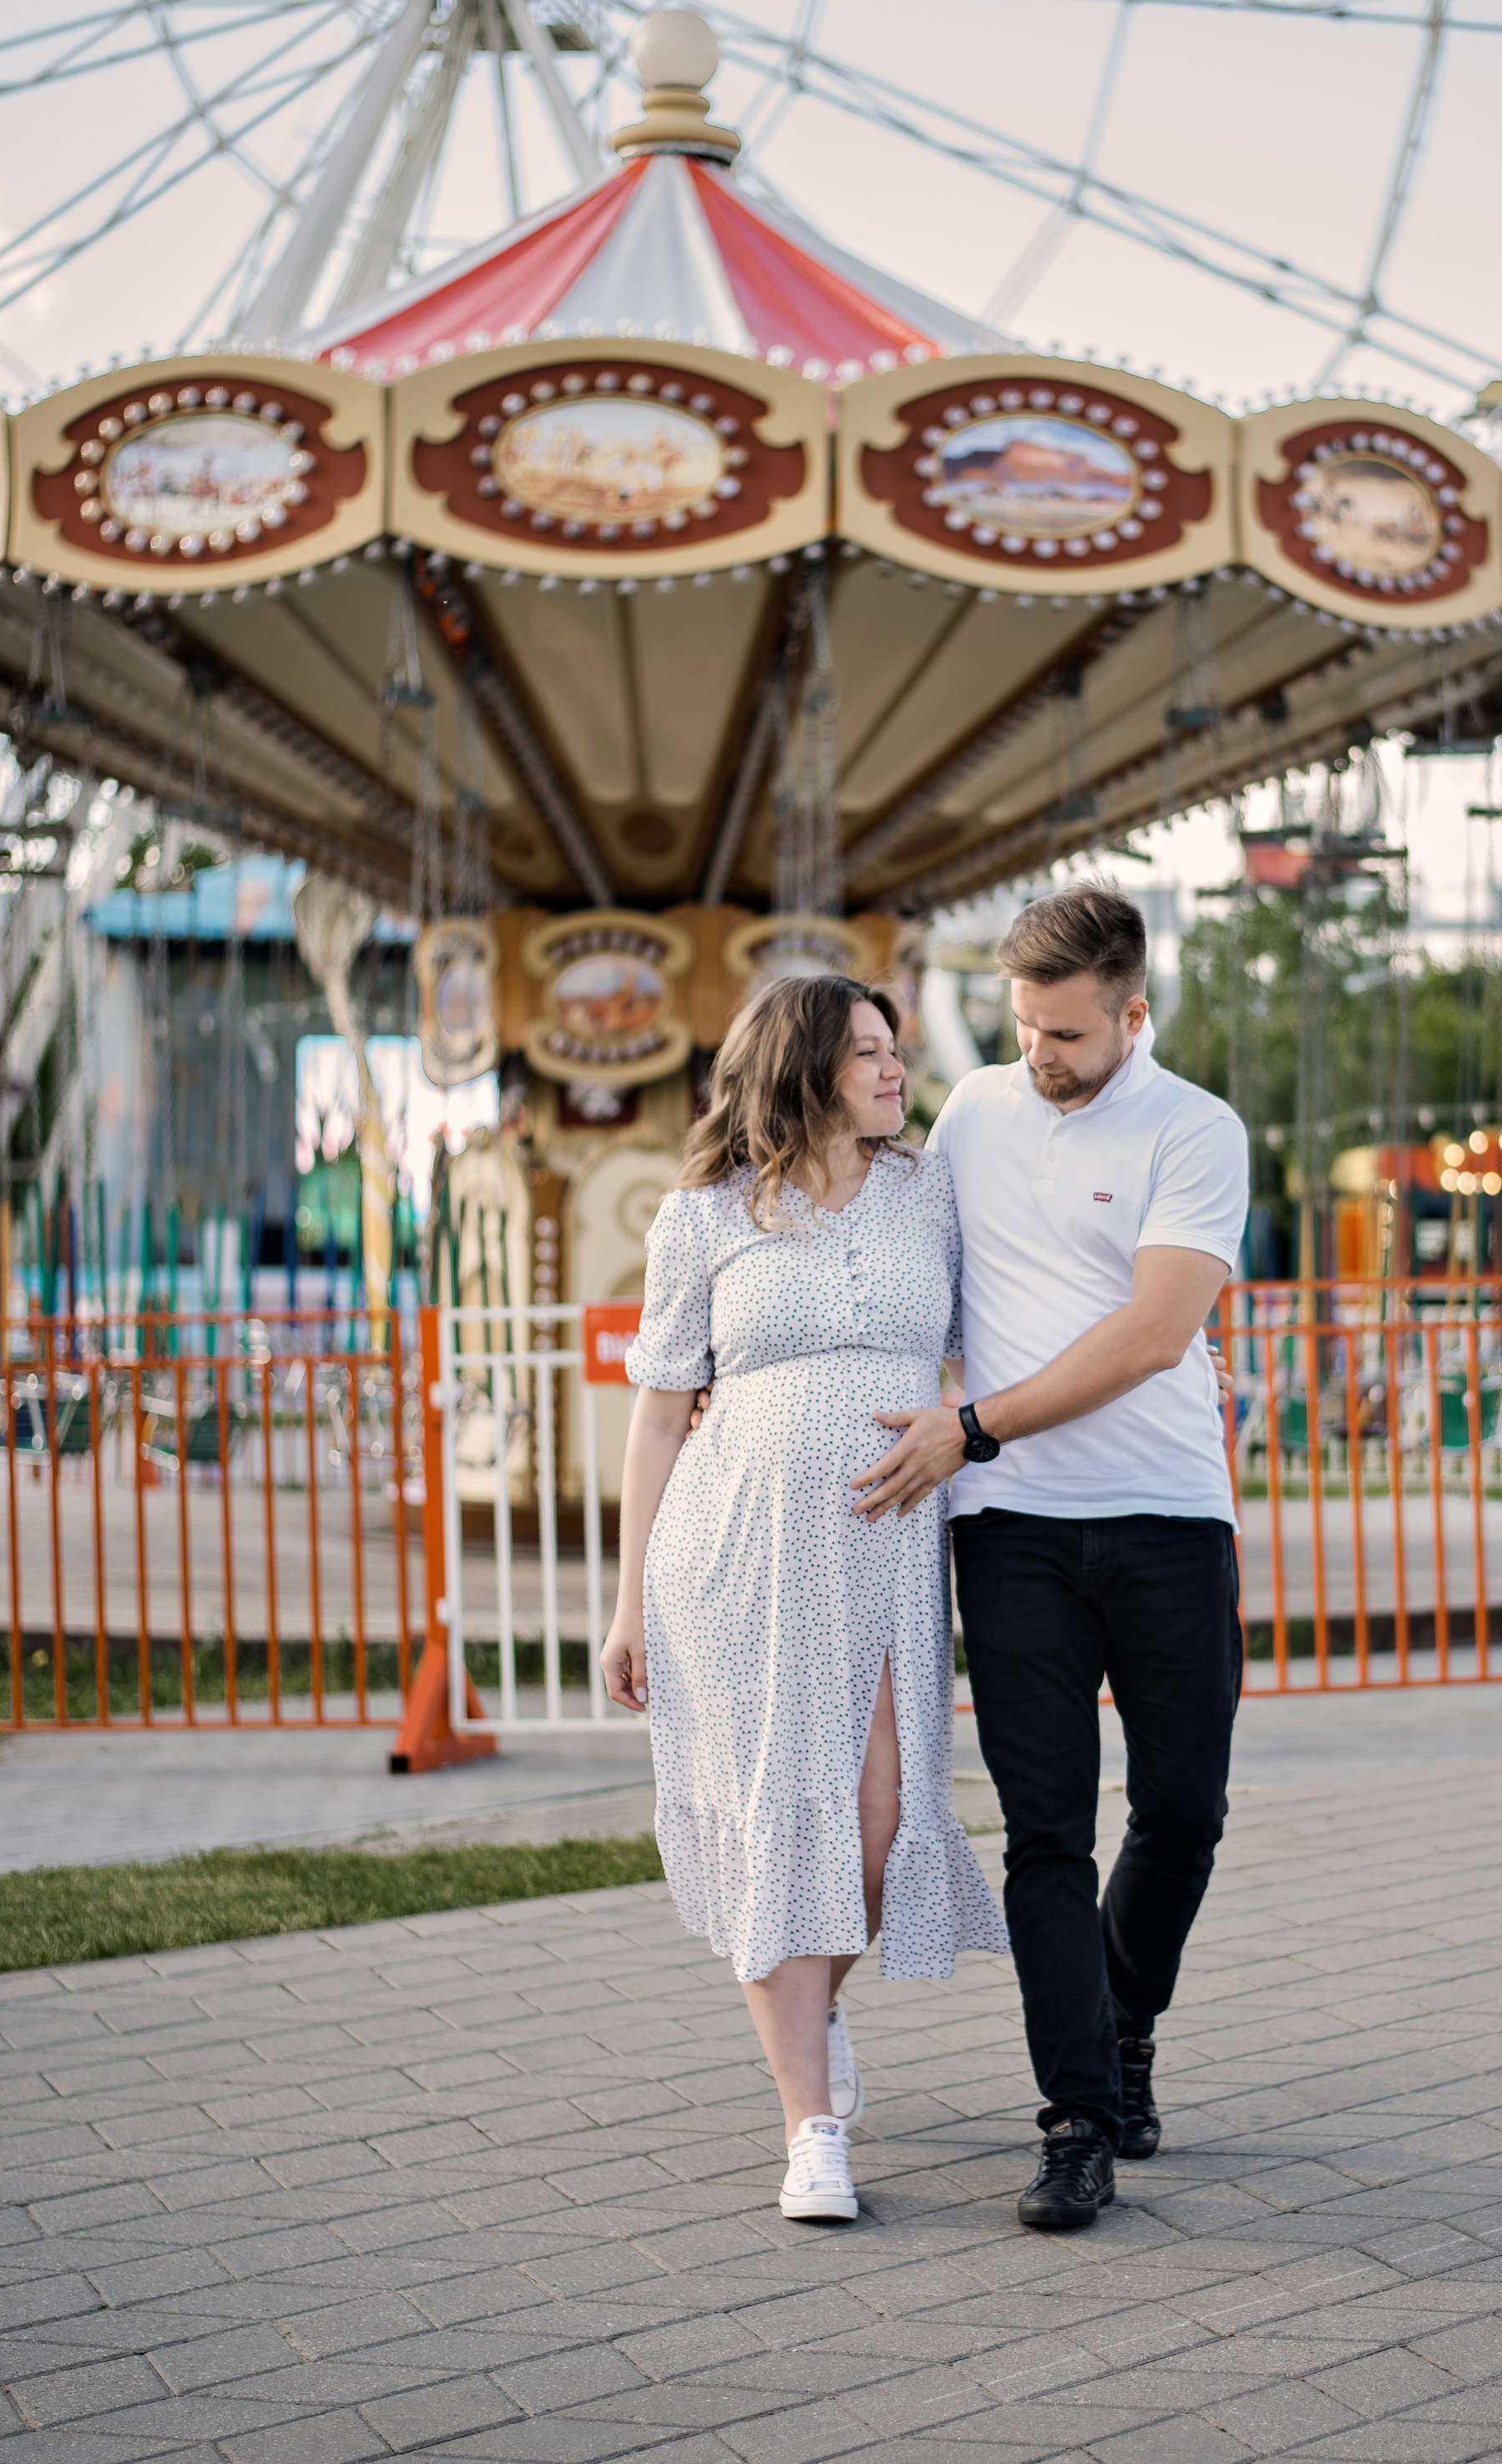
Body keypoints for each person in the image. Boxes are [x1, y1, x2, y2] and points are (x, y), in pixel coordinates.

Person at [853, 885, 1251, 2232]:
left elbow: (1153, 1333)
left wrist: (974, 1424)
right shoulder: (969, 1112)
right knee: (1043, 1835)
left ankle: (1125, 2022)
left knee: (1184, 1809)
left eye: (1071, 1033)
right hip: (1011, 1533)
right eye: (1026, 1026)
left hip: (1167, 1514)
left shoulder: (1197, 1131)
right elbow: (883, 1238)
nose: (1042, 1053)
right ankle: (1078, 2115)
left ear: (1135, 1015)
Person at [599, 973, 1009, 2229]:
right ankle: (810, 2127)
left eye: (897, 1050)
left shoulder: (927, 1189)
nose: (897, 1070)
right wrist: (625, 1606)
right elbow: (662, 1412)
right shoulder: (708, 1213)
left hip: (883, 1556)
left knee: (877, 1829)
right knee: (786, 1814)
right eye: (873, 1053)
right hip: (734, 1555)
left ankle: (813, 2009)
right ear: (806, 1065)